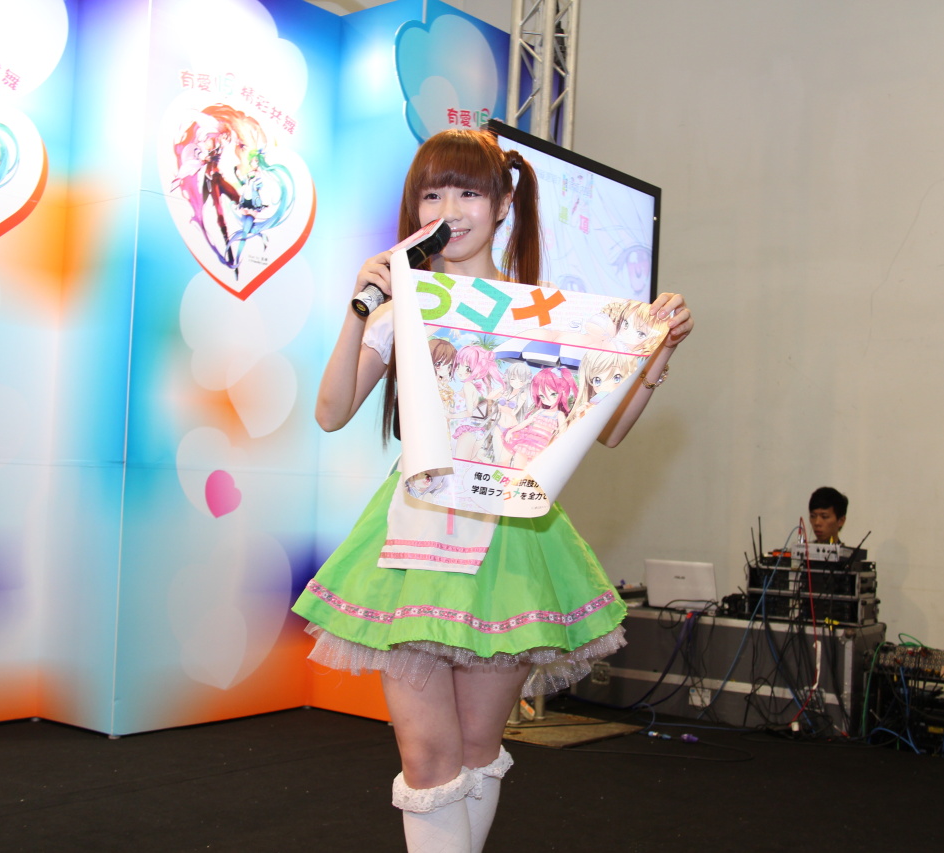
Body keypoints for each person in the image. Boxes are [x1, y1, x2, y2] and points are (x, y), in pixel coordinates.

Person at [291, 128, 694, 853]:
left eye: (468, 193)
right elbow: (330, 411)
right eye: (432, 194)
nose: (449, 210)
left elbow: (608, 429)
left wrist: (656, 356)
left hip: (508, 539)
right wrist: (361, 305)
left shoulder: (543, 310)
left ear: (503, 204)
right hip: (418, 534)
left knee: (478, 749)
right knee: (427, 756)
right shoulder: (403, 305)